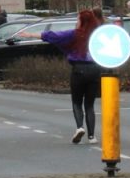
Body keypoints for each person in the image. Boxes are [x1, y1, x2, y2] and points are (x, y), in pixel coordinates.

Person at [42, 9, 103, 144]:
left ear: (81, 21)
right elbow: (116, 48)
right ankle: (92, 136)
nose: (76, 21)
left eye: (77, 19)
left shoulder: (75, 34)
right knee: (89, 105)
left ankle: (80, 127)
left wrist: (30, 34)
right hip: (95, 71)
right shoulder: (98, 35)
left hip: (78, 70)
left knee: (76, 102)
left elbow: (54, 36)